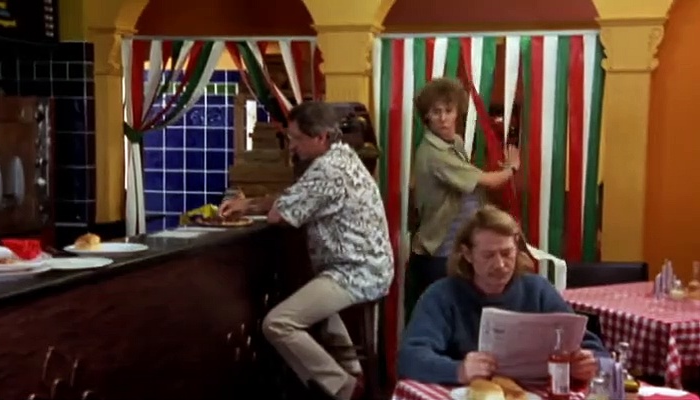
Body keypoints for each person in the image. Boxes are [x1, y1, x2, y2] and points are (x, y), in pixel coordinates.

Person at [219, 101, 394, 400]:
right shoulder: (342, 156)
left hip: (355, 273)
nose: (291, 146)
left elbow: (280, 215)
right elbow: (292, 197)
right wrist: (249, 204)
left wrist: (248, 205)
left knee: (278, 323)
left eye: (297, 139)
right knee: (315, 306)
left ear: (321, 137)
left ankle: (345, 388)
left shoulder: (328, 169)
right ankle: (352, 374)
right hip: (364, 268)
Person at [398, 205, 607, 387]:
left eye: (507, 253)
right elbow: (409, 357)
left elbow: (596, 350)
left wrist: (589, 364)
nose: (499, 264)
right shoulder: (442, 296)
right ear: (467, 254)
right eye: (488, 255)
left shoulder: (538, 290)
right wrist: (458, 370)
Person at [406, 78, 521, 323]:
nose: (443, 118)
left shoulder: (454, 143)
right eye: (436, 112)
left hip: (456, 250)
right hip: (437, 254)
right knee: (439, 320)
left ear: (457, 111)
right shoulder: (434, 153)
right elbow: (489, 182)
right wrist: (511, 168)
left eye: (448, 111)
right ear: (426, 117)